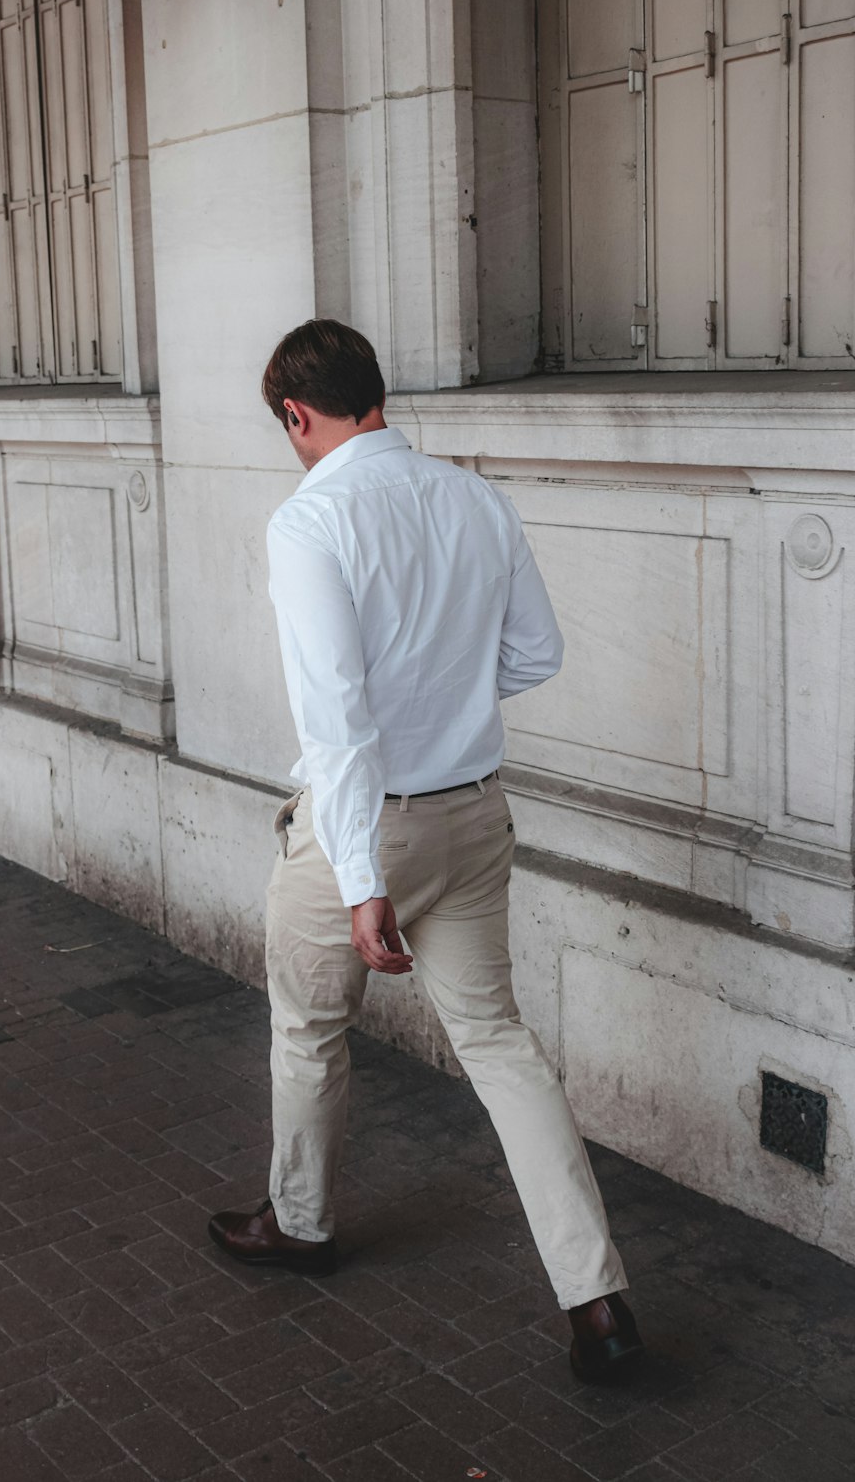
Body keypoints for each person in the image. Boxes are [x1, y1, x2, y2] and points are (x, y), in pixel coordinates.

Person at [208, 319, 642, 1383]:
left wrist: (362, 883)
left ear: (296, 416)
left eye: (287, 428)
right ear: (377, 395)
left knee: (310, 1029)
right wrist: (446, 699)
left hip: (365, 825)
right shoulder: (474, 498)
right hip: (473, 811)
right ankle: (600, 1304)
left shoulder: (310, 523)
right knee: (498, 1045)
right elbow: (536, 652)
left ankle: (302, 1225)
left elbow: (340, 722)